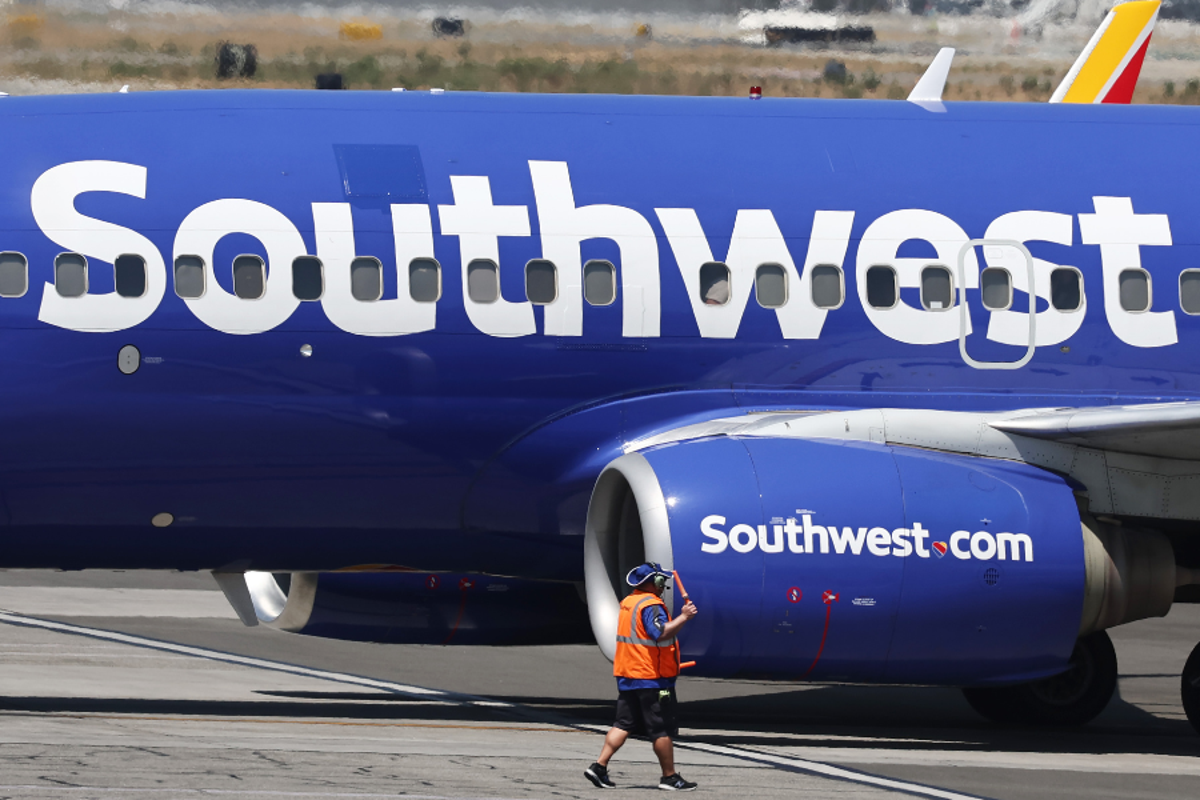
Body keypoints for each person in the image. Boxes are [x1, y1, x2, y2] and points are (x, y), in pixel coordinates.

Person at [585, 562, 699, 791]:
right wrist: (684, 617)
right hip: (651, 678)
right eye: (661, 581)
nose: (664, 585)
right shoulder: (651, 605)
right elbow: (660, 633)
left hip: (628, 675)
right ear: (653, 582)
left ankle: (599, 766)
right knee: (661, 729)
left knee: (623, 723)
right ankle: (669, 777)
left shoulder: (629, 602)